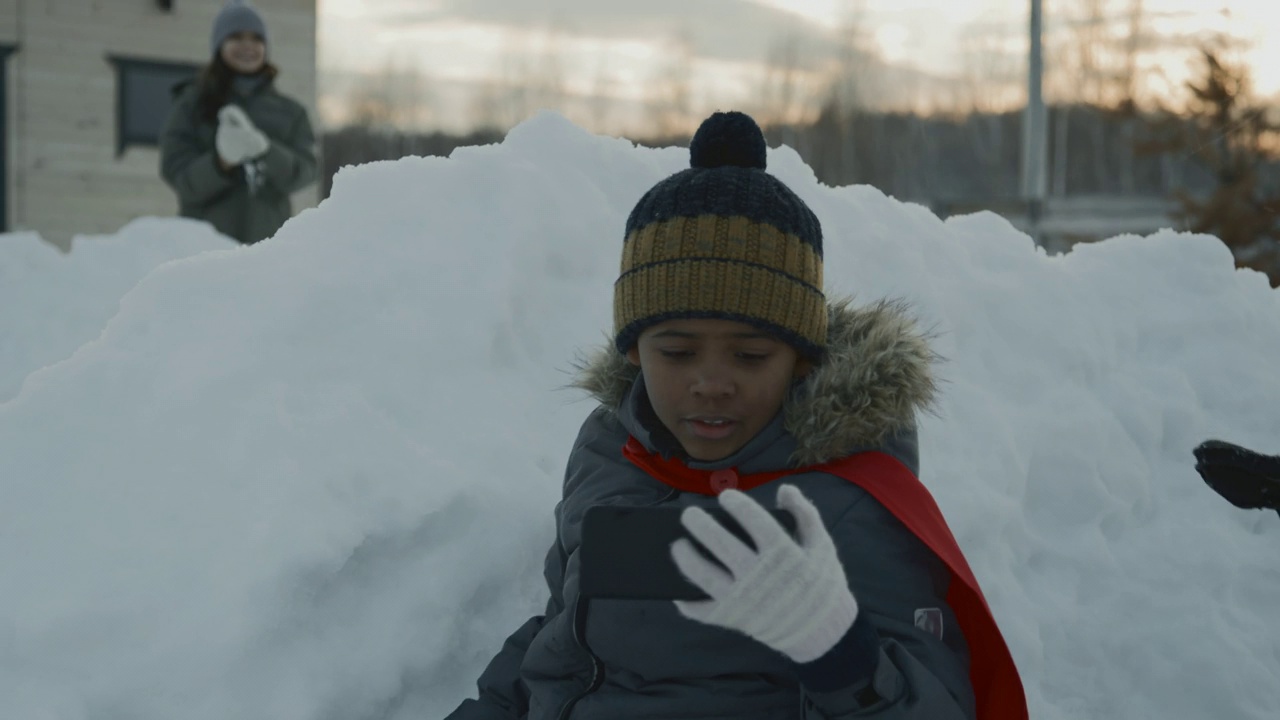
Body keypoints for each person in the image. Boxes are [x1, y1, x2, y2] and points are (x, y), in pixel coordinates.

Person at [447, 111, 1027, 719]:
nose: (711, 384)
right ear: (632, 350)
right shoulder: (608, 452)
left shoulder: (849, 501)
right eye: (676, 352)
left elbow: (937, 703)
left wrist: (839, 655)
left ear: (801, 359)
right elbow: (559, 637)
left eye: (750, 355)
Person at [159, 0, 317, 245]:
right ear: (219, 44)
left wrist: (266, 150)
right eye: (236, 37)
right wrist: (220, 162)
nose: (248, 46)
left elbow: (306, 172)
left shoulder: (291, 113)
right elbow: (179, 177)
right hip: (202, 252)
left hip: (268, 251)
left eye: (256, 38)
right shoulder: (191, 105)